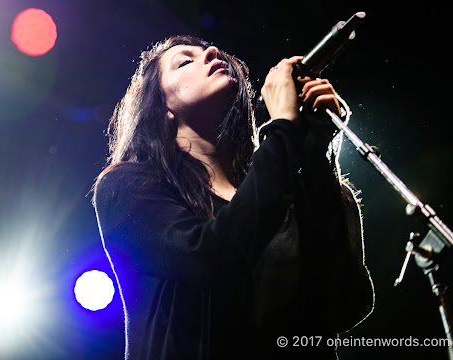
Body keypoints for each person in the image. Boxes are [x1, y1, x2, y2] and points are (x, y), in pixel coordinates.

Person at [91, 35, 374, 359]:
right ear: (162, 107)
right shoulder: (129, 186)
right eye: (185, 61)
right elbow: (210, 256)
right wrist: (282, 129)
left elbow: (346, 307)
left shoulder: (296, 190)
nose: (212, 51)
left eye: (213, 51)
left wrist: (316, 158)